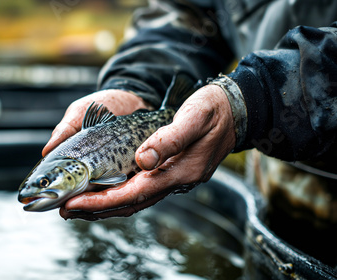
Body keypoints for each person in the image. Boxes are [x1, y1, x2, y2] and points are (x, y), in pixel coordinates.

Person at [42, 0, 337, 222]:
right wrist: (137, 83)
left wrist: (253, 97)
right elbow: (188, 12)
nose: (42, 189)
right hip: (276, 172)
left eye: (45, 183)